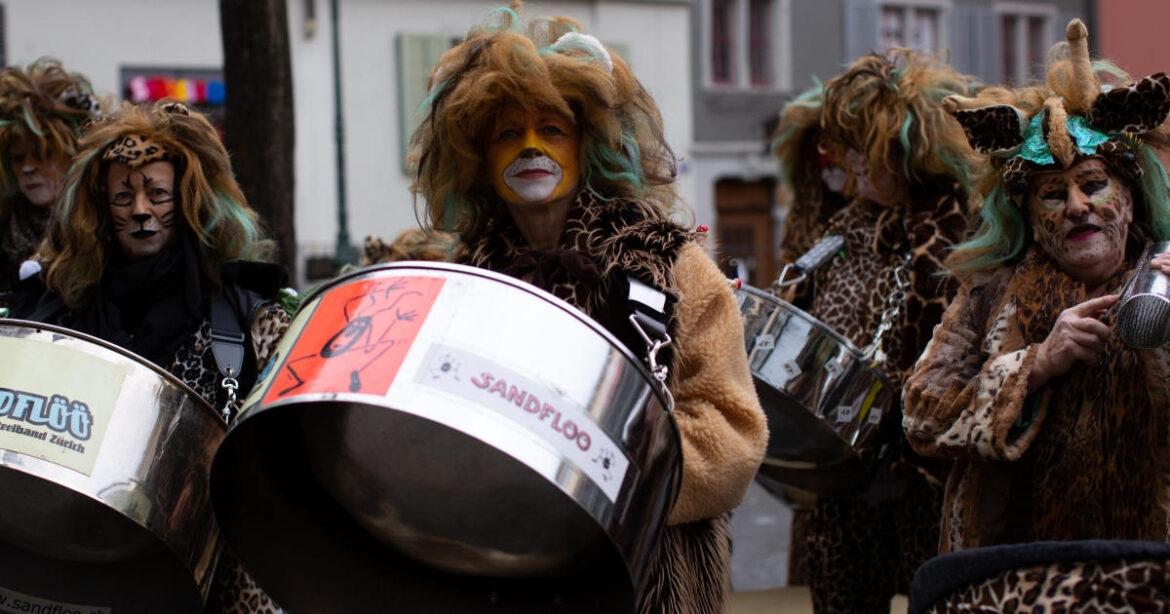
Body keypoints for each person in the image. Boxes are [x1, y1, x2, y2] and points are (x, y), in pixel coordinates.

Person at [405, 4, 768, 612]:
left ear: (589, 142)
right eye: (506, 133)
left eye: (551, 129)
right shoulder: (465, 283)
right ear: (477, 160)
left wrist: (598, 486)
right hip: (511, 575)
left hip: (651, 579)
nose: (529, 147)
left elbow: (731, 434)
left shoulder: (671, 266)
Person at [903, 19, 1170, 553]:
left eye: (1093, 185)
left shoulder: (1165, 278)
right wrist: (1036, 364)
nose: (1076, 207)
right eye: (1053, 194)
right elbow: (921, 418)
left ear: (1130, 196)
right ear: (1028, 215)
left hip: (1145, 573)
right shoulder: (987, 294)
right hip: (1018, 575)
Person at [13, 100, 290, 613]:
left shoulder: (246, 319)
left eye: (157, 194)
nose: (141, 210)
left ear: (187, 202)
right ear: (100, 207)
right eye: (124, 196)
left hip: (201, 583)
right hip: (76, 571)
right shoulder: (57, 310)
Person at [772, 50, 981, 613]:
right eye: (846, 144)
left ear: (907, 148)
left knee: (934, 599)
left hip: (925, 475)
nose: (849, 162)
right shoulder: (848, 219)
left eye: (865, 147)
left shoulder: (961, 227)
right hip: (845, 468)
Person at [0, 58, 103, 304]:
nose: (27, 168)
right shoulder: (4, 227)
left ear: (73, 155)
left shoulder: (102, 225)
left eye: (43, 154)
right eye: (17, 157)